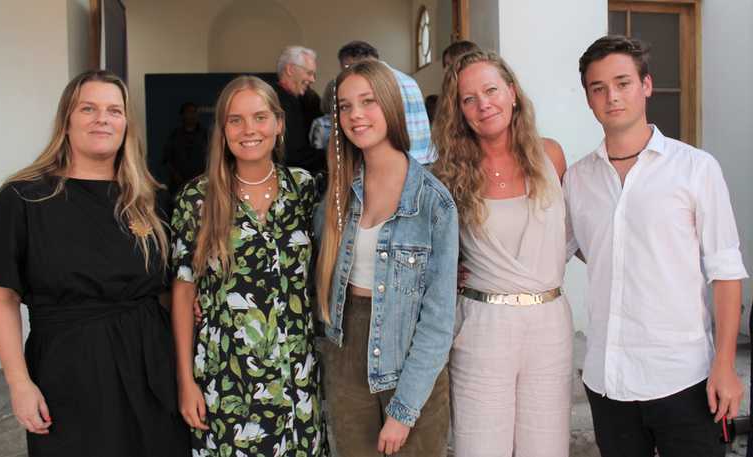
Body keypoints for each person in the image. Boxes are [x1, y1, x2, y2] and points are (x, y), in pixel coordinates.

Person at [0, 70, 188, 456]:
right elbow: (2, 300)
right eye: (89, 108)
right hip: (68, 369)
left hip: (151, 368)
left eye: (114, 110)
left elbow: (167, 294)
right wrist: (19, 383)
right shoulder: (23, 199)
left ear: (126, 124)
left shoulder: (149, 200)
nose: (102, 119)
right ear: (67, 120)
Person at [566, 35, 748, 457]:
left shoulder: (696, 168)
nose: (612, 96)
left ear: (646, 85)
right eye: (599, 88)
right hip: (607, 381)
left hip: (683, 378)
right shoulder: (577, 179)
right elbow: (560, 247)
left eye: (623, 82)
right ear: (588, 99)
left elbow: (725, 272)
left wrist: (725, 364)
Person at [170, 75, 328, 456]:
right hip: (227, 380)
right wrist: (185, 380)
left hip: (296, 375)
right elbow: (183, 291)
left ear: (279, 123)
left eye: (259, 117)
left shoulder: (305, 190)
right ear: (222, 130)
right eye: (235, 120)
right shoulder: (197, 198)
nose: (249, 130)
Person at [314, 59, 459, 456]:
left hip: (411, 353)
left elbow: (439, 317)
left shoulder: (434, 203)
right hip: (346, 349)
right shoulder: (337, 195)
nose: (355, 115)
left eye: (368, 101)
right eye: (344, 106)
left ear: (391, 107)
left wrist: (405, 408)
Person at [432, 50, 571, 457]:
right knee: (479, 447)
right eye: (468, 99)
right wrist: (445, 270)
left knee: (545, 447)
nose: (483, 104)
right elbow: (425, 248)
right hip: (482, 324)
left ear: (512, 93)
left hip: (549, 323)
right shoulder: (447, 174)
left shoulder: (552, 157)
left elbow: (578, 233)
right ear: (459, 112)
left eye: (491, 90)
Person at [327, 40, 435, 165]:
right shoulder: (408, 80)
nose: (346, 74)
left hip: (397, 165)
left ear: (357, 63)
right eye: (344, 106)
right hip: (424, 159)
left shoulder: (378, 83)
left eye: (347, 67)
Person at [274, 45, 325, 175]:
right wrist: (333, 157)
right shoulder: (276, 103)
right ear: (290, 69)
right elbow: (293, 154)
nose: (312, 79)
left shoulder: (304, 99)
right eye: (309, 73)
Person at [162, 101, 209, 195]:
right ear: (182, 115)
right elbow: (167, 159)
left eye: (194, 112)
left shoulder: (205, 135)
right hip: (178, 184)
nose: (192, 115)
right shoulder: (175, 136)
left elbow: (213, 157)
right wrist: (175, 175)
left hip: (201, 183)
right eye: (189, 112)